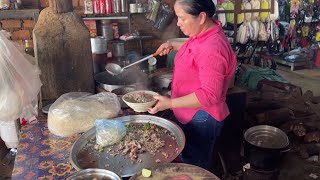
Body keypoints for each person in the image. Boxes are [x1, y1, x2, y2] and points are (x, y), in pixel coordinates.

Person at [148, 0, 237, 170]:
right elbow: (196, 47)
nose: (178, 23)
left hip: (201, 117)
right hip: (191, 113)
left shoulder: (212, 48)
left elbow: (209, 95)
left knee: (195, 166)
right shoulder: (204, 34)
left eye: (182, 18)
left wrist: (170, 103)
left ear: (202, 17)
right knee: (188, 155)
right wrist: (173, 45)